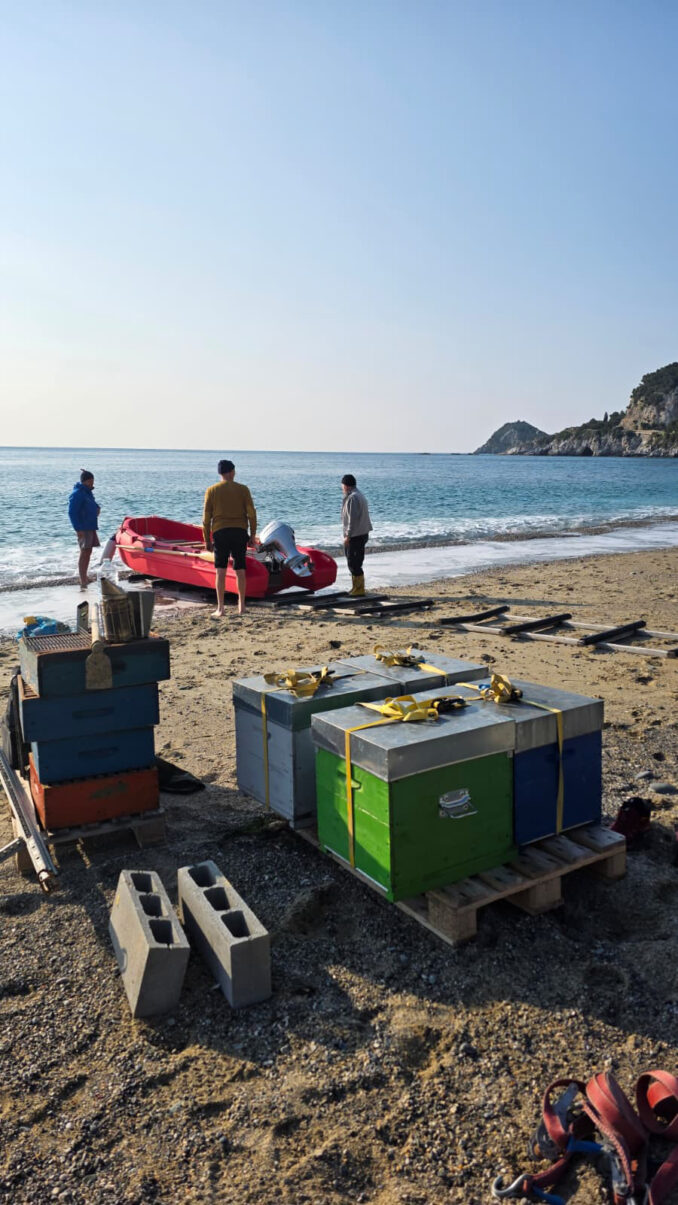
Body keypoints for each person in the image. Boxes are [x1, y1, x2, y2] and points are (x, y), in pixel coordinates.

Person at [202, 459, 257, 617]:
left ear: (220, 473)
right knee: (240, 569)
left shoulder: (211, 490)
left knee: (220, 571)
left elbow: (206, 518)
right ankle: (242, 606)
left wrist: (206, 539)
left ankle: (221, 608)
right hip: (239, 532)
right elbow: (251, 514)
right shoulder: (243, 489)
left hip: (220, 532)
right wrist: (252, 534)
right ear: (232, 472)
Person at [68, 469, 101, 590]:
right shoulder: (77, 493)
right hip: (83, 527)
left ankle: (85, 577)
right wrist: (77, 529)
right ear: (85, 481)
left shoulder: (87, 492)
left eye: (93, 481)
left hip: (90, 526)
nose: (93, 484)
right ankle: (82, 579)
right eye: (91, 481)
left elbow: (92, 503)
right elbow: (72, 512)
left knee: (88, 552)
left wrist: (97, 507)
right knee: (84, 552)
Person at [341, 473, 373, 597]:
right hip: (362, 533)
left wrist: (348, 536)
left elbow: (352, 520)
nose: (342, 488)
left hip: (356, 535)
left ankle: (359, 589)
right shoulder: (358, 494)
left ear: (346, 485)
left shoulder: (353, 498)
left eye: (342, 485)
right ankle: (356, 587)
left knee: (353, 562)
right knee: (355, 561)